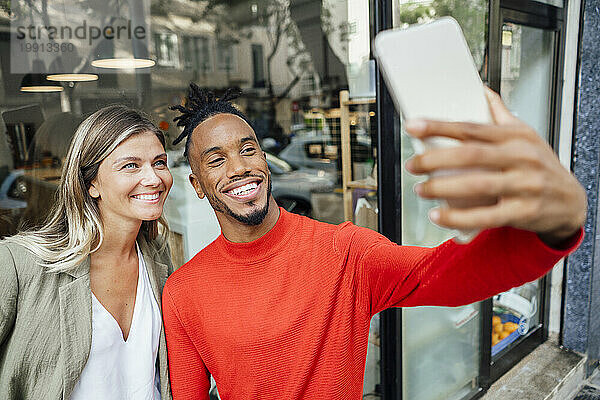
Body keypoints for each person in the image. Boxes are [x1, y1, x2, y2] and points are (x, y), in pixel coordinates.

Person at [162, 84, 586, 399]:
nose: (239, 167)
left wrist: (552, 226)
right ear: (198, 185)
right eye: (217, 159)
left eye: (248, 149)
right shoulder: (184, 291)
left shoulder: (343, 252)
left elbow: (444, 274)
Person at [0, 106, 174, 399]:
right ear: (91, 183)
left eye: (159, 162)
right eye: (131, 165)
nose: (154, 178)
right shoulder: (20, 264)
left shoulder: (157, 257)